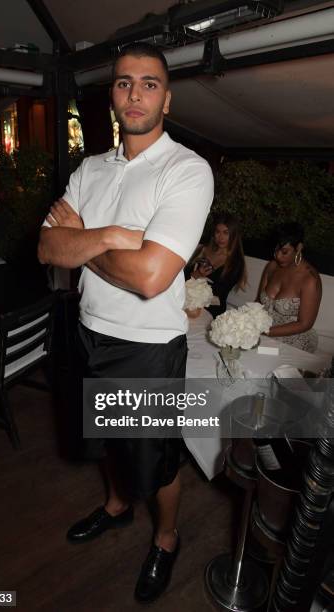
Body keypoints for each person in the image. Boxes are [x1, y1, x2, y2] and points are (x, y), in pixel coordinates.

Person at [38, 43, 214, 603]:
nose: (134, 93)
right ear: (111, 94)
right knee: (107, 441)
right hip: (87, 331)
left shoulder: (187, 169)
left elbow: (149, 278)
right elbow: (46, 246)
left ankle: (166, 538)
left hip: (146, 349)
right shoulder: (91, 168)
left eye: (149, 83)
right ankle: (116, 508)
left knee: (157, 462)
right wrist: (113, 237)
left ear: (167, 97)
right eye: (122, 83)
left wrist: (84, 237)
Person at [257, 222, 321, 353]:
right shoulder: (272, 266)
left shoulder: (310, 279)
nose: (277, 256)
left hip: (294, 338)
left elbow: (305, 324)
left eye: (284, 252)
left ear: (299, 247)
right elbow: (258, 302)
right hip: (263, 330)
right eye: (275, 250)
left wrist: (265, 331)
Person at [186, 212, 246, 318]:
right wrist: (197, 274)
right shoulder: (203, 250)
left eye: (226, 233)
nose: (221, 237)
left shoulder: (236, 262)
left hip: (212, 309)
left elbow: (220, 293)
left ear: (233, 235)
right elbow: (184, 277)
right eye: (217, 232)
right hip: (188, 300)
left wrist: (198, 277)